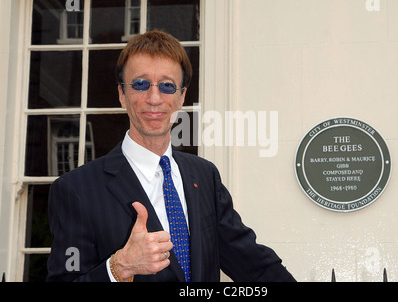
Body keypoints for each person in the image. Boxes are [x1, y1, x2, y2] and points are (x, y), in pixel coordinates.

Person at [46, 30, 296, 282]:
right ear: (122, 94)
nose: (154, 99)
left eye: (167, 86)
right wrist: (118, 268)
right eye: (140, 84)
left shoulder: (205, 176)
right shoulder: (76, 190)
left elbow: (251, 262)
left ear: (181, 97)